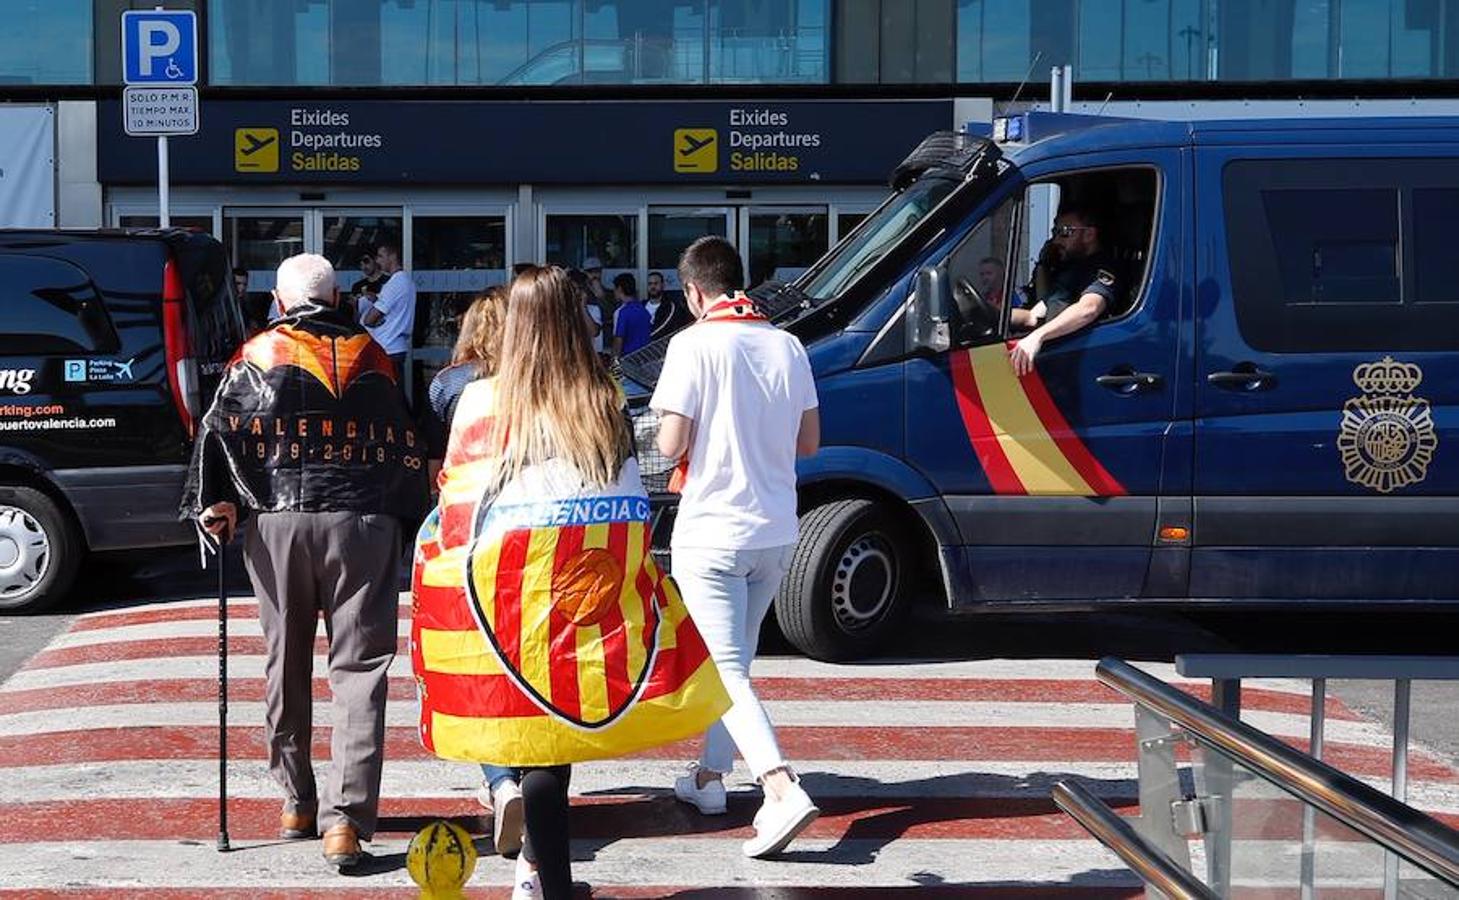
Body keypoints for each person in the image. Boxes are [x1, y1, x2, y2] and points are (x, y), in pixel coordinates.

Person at [411, 265, 728, 898]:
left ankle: (542, 875)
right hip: (586, 585)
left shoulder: (480, 398)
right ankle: (546, 876)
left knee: (529, 733)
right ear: (576, 320)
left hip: (502, 590)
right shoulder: (601, 396)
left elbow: (457, 508)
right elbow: (628, 499)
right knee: (555, 734)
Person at [183, 253, 429, 870]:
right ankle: (345, 821)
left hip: (278, 522)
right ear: (339, 295)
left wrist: (217, 504)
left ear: (280, 298)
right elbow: (404, 437)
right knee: (361, 669)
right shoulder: (373, 354)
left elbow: (220, 433)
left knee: (284, 656)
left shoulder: (257, 352)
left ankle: (296, 799)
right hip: (362, 523)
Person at [651, 236, 822, 859]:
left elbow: (670, 445)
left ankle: (780, 787)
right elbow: (809, 442)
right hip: (776, 528)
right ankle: (709, 779)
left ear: (694, 292)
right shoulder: (788, 344)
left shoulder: (691, 344)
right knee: (736, 665)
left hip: (713, 530)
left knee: (723, 667)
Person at [1009, 207, 1124, 376]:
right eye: (1055, 231)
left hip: (1077, 362)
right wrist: (993, 316)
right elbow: (1034, 316)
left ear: (1089, 235)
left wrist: (1037, 337)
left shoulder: (1102, 268)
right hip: (1056, 358)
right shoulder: (1071, 268)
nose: (1056, 240)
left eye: (1065, 232)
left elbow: (1089, 309)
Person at [361, 242, 418, 383]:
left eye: (381, 256)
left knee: (388, 398)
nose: (378, 261)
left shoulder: (395, 283)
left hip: (387, 348)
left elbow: (370, 319)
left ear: (392, 256)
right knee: (395, 396)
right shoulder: (406, 282)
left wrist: (369, 311)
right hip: (394, 346)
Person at [610, 272, 651, 359]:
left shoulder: (621, 312)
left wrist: (614, 363)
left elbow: (618, 340)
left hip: (627, 359)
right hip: (645, 358)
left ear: (619, 289)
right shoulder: (644, 310)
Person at [646, 270, 692, 340]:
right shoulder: (641, 306)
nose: (653, 287)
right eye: (650, 284)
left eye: (656, 283)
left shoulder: (671, 307)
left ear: (663, 285)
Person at [581, 257, 611, 356]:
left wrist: (602, 298)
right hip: (587, 342)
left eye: (597, 271)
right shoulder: (581, 293)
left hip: (605, 342)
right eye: (590, 272)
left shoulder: (609, 293)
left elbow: (611, 315)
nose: (594, 275)